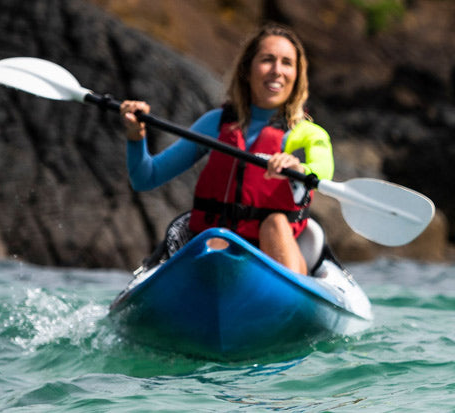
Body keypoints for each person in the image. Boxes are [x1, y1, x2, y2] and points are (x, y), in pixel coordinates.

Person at [119, 23, 334, 275]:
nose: (277, 71)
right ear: (247, 70)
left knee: (274, 222)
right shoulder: (216, 123)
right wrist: (136, 137)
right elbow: (146, 178)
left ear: (297, 75)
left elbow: (322, 171)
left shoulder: (309, 134)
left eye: (287, 63)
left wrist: (298, 169)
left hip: (277, 254)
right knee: (216, 239)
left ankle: (287, 303)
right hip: (220, 249)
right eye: (267, 60)